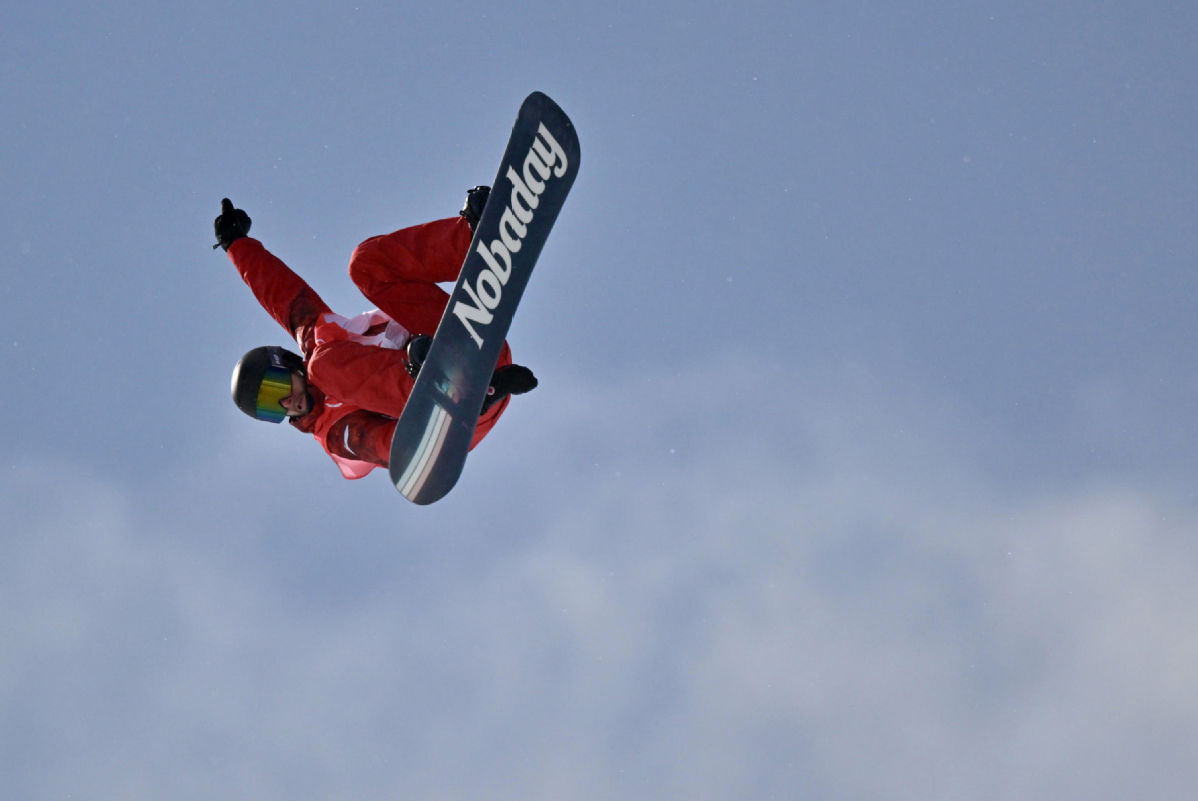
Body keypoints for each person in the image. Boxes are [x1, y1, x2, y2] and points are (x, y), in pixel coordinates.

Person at [216, 190, 537, 480]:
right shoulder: (333, 431)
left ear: (287, 364)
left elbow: (281, 293)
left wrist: (237, 245)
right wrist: (414, 457)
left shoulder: (316, 342)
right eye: (272, 408)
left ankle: (472, 241)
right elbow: (376, 445)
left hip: (460, 349)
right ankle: (439, 384)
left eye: (275, 388)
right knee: (324, 368)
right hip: (454, 416)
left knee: (364, 266)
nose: (286, 402)